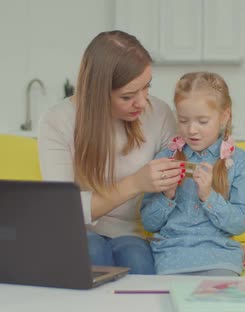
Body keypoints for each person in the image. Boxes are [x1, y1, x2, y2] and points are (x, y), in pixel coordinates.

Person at [37, 30, 184, 274]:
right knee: (92, 250)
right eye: (127, 96)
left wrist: (220, 243)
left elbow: (183, 190)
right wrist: (135, 183)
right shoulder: (58, 121)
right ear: (97, 94)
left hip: (134, 234)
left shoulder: (159, 113)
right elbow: (63, 209)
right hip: (78, 232)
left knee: (136, 258)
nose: (141, 102)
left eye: (146, 87)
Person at [141, 72, 245, 276]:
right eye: (183, 120)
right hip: (171, 257)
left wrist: (209, 197)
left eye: (202, 121)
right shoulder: (166, 156)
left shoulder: (240, 161)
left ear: (224, 116)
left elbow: (241, 224)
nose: (192, 130)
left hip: (219, 258)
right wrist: (168, 196)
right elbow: (149, 223)